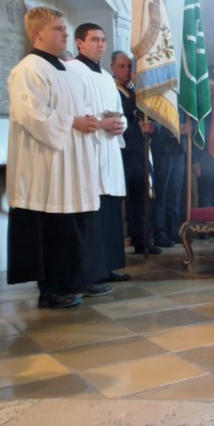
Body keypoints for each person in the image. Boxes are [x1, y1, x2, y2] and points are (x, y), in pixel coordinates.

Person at [6, 7, 112, 308]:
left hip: (73, 161)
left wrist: (91, 120)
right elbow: (32, 115)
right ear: (37, 33)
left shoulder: (65, 70)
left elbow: (83, 107)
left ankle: (74, 279)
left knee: (74, 223)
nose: (66, 34)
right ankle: (51, 289)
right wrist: (72, 122)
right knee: (51, 228)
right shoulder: (28, 70)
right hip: (47, 165)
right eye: (58, 29)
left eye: (66, 29)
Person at [69, 24, 131, 282]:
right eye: (94, 39)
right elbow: (72, 111)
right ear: (79, 43)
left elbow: (119, 111)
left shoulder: (106, 77)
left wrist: (120, 124)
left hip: (109, 150)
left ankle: (107, 266)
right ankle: (90, 270)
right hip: (87, 149)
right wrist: (100, 123)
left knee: (109, 210)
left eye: (103, 40)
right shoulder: (71, 71)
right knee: (91, 212)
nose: (101, 45)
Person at [110, 51, 161, 256]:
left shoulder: (135, 90)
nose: (126, 71)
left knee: (142, 198)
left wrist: (153, 128)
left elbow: (150, 116)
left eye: (130, 67)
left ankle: (143, 241)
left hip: (140, 150)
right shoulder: (110, 88)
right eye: (122, 66)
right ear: (112, 67)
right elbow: (121, 110)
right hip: (121, 152)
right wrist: (138, 93)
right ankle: (115, 246)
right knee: (118, 199)